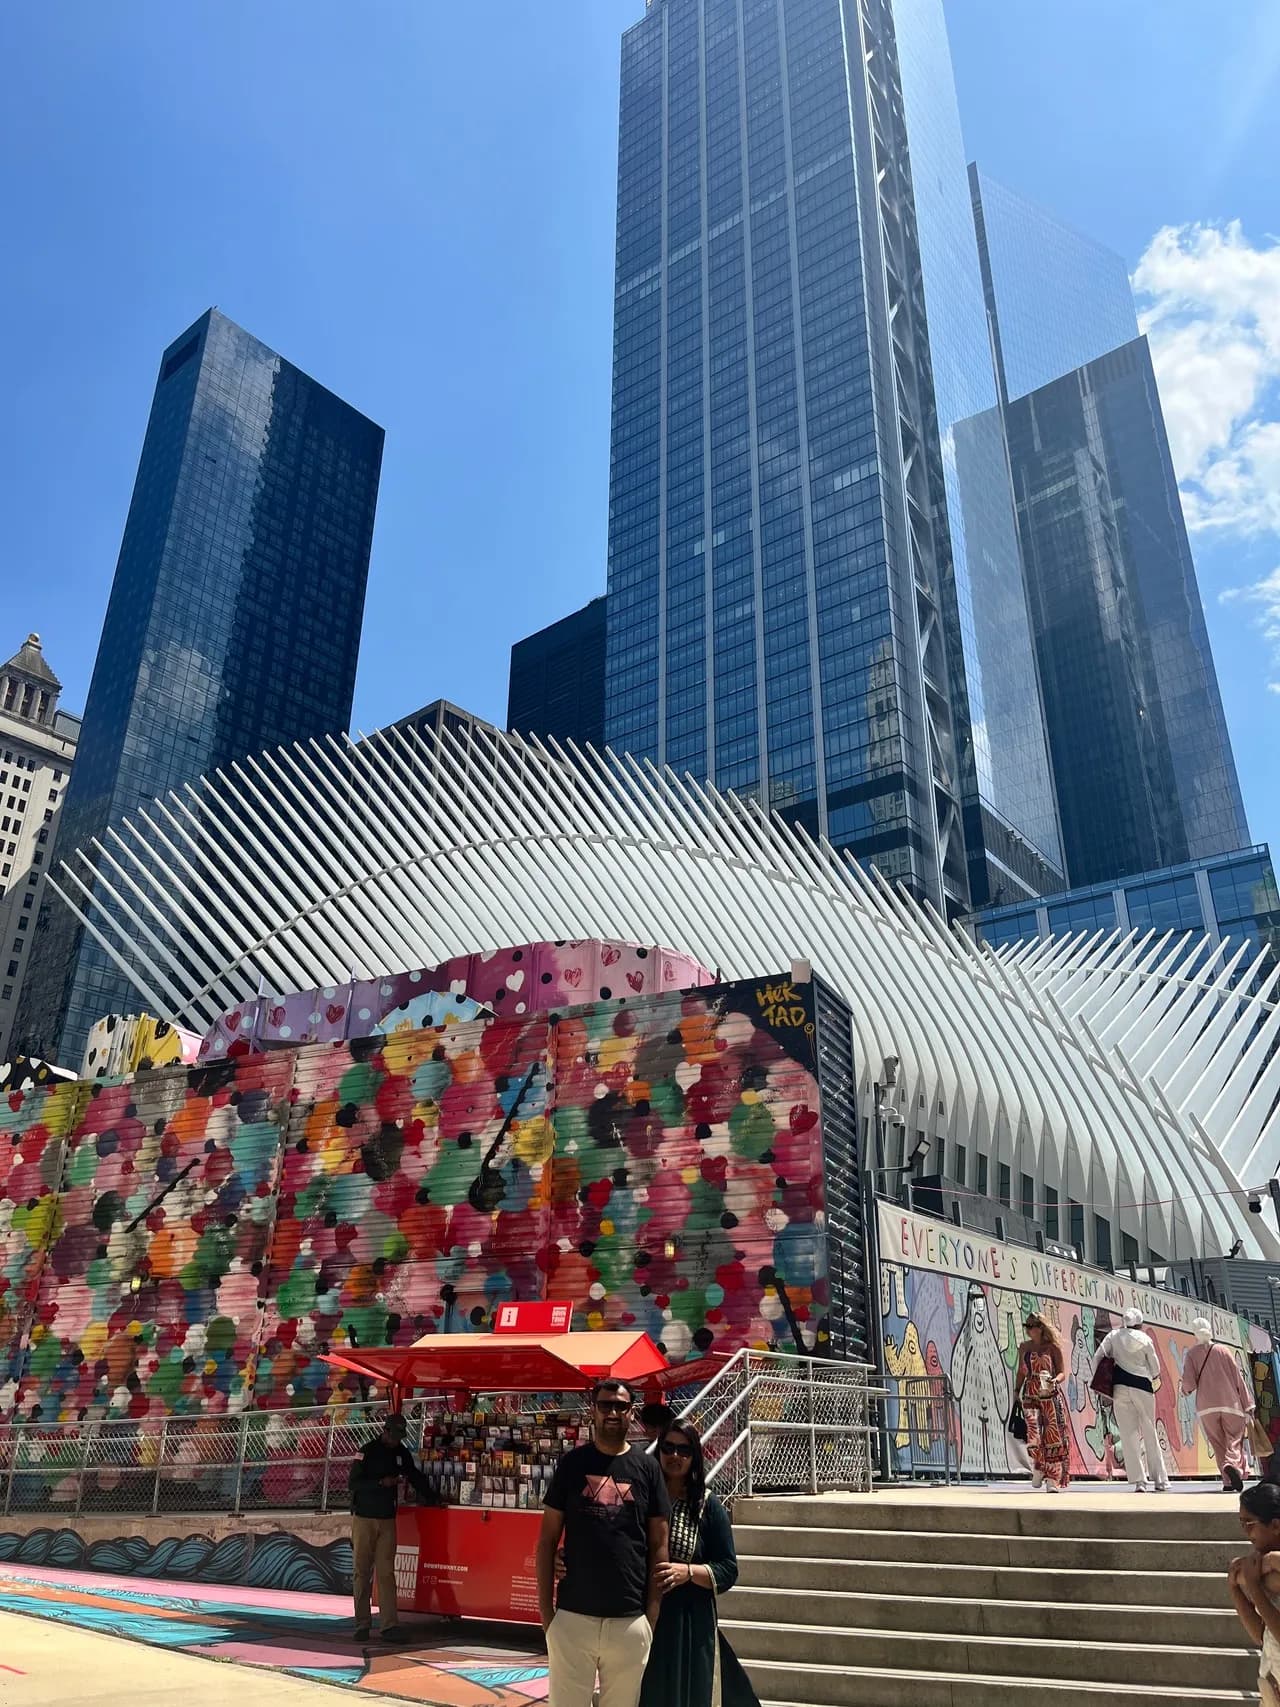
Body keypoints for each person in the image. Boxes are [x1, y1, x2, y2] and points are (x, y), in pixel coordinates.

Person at [537, 1377, 671, 1707]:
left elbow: (659, 1546)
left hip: (629, 1621)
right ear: (592, 1412)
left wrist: (650, 1619)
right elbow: (547, 1540)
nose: (612, 1412)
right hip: (572, 1619)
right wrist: (546, 1616)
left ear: (631, 1412)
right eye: (605, 1405)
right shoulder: (572, 1464)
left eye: (620, 1406)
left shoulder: (648, 1468)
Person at [639, 1421, 760, 1707]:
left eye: (684, 1449)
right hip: (644, 1614)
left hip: (690, 1622)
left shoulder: (708, 1506)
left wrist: (689, 1572)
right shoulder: (642, 1502)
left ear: (694, 1457)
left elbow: (728, 1569)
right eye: (668, 1447)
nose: (675, 1456)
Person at [348, 1412, 431, 1642]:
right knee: (361, 1572)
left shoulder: (401, 1452)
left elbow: (413, 1474)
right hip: (364, 1518)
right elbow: (352, 1483)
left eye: (399, 1436)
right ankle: (362, 1623)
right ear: (384, 1431)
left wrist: (432, 1496)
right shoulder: (367, 1451)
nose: (396, 1440)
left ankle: (389, 1625)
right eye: (393, 1435)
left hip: (387, 1519)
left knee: (386, 1573)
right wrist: (380, 1483)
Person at [1092, 1307, 1169, 1492]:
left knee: (1128, 1434)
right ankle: (1160, 1480)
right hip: (1142, 1386)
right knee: (1149, 1430)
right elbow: (1156, 1368)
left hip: (1119, 1387)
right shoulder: (1145, 1339)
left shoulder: (1113, 1336)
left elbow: (1097, 1357)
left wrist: (1099, 1378)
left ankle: (1139, 1481)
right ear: (1140, 1323)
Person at [1183, 1317, 1254, 1492]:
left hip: (1206, 1406)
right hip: (1230, 1403)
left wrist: (1184, 1391)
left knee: (1217, 1443)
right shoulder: (1224, 1350)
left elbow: (1189, 1384)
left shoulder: (1191, 1354)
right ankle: (1232, 1465)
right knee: (1234, 1439)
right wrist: (1248, 1405)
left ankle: (1227, 1481)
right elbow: (1238, 1379)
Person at [1228, 1480, 1280, 1706]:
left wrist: (1252, 1583)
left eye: (1250, 1523)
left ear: (1276, 1525)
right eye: (1241, 1523)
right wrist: (1235, 1588)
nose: (1246, 1532)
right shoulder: (1260, 1565)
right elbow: (1261, 1634)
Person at [1015, 1312, 1071, 1491]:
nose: (1028, 1330)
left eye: (1031, 1326)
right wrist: (1016, 1390)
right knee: (1033, 1435)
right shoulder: (1024, 1347)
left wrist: (1056, 1380)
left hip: (1048, 1393)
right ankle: (1038, 1466)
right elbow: (1021, 1372)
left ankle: (1052, 1478)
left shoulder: (1052, 1348)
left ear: (1040, 1328)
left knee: (1052, 1435)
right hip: (1030, 1392)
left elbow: (1062, 1371)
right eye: (1027, 1326)